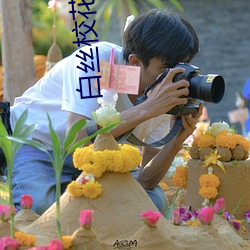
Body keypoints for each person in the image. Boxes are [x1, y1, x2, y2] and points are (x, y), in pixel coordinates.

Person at [6, 9, 202, 215]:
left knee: (152, 202)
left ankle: (70, 199)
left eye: (182, 66)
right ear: (135, 62)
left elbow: (146, 180)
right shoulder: (95, 61)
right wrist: (147, 108)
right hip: (37, 143)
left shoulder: (165, 89)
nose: (176, 76)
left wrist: (176, 140)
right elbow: (76, 140)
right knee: (39, 208)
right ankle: (64, 197)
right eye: (167, 68)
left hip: (96, 157)